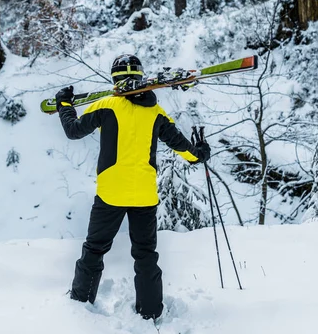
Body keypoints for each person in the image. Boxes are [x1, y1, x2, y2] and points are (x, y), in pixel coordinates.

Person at [55, 54, 211, 321]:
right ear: (141, 77)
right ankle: (150, 312)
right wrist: (200, 153)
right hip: (143, 195)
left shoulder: (107, 105)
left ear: (115, 79)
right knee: (146, 254)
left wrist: (64, 104)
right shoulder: (156, 113)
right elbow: (182, 146)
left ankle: (81, 302)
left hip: (110, 194)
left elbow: (73, 130)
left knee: (94, 248)